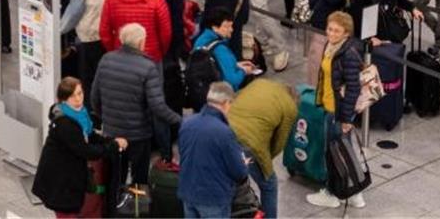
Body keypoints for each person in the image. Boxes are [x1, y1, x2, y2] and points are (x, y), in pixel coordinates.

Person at [91, 23, 183, 186]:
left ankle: (114, 207)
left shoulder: (106, 59)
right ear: (141, 42)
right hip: (139, 134)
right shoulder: (148, 67)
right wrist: (179, 120)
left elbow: (94, 97)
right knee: (139, 180)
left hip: (112, 132)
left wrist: (105, 118)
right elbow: (157, 107)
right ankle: (136, 207)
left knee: (114, 177)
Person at [32, 77, 129, 218]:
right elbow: (86, 151)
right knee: (66, 214)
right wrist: (113, 146)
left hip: (69, 177)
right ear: (64, 99)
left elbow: (90, 135)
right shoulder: (65, 123)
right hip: (60, 182)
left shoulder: (80, 114)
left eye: (80, 93)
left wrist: (110, 141)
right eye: (72, 96)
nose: (78, 99)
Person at [305, 11, 367, 209]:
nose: (331, 33)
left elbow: (353, 88)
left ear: (346, 33)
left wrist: (346, 118)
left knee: (332, 153)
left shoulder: (347, 53)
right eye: (329, 29)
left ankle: (332, 193)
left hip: (337, 112)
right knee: (345, 150)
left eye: (336, 30)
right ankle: (355, 192)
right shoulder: (332, 46)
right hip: (330, 106)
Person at [176, 81, 248, 219]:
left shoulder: (187, 123)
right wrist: (243, 163)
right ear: (226, 103)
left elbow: (184, 153)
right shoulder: (224, 132)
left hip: (188, 192)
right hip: (213, 198)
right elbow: (239, 172)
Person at [229, 80, 299, 219]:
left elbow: (235, 98)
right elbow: (279, 142)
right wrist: (265, 159)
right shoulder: (290, 107)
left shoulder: (259, 83)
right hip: (248, 142)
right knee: (269, 183)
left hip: (222, 130)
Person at [59, 0, 118, 99]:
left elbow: (67, 22)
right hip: (108, 37)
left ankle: (91, 111)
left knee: (89, 80)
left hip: (89, 40)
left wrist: (56, 30)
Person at [192, 7, 258, 94]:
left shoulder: (200, 40)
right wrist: (244, 71)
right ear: (215, 27)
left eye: (231, 25)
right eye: (227, 26)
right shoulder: (220, 49)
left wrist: (236, 65)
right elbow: (232, 80)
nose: (231, 29)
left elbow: (216, 64)